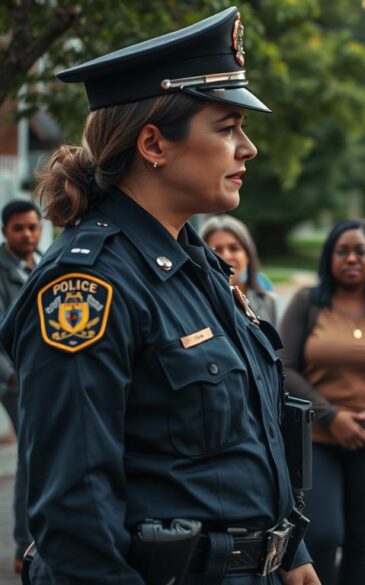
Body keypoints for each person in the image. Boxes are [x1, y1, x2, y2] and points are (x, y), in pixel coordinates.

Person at [0, 7, 319, 585]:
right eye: (226, 128)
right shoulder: (90, 286)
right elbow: (76, 517)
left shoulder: (199, 265)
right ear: (154, 143)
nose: (247, 148)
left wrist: (289, 556)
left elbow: (242, 439)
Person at [277, 219, 365, 585]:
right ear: (330, 256)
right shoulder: (307, 303)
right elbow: (285, 368)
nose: (352, 258)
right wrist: (331, 415)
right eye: (343, 251)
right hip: (319, 442)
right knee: (322, 536)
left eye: (361, 251)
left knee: (361, 540)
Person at [0, 199, 42, 572]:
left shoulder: (41, 263)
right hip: (16, 382)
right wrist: (14, 374)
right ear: (4, 231)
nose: (28, 234)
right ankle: (24, 545)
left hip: (37, 377)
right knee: (31, 458)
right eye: (19, 228)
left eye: (33, 226)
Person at [200, 214, 277, 326]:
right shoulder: (198, 305)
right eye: (217, 250)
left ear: (248, 255)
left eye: (234, 248)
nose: (226, 256)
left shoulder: (267, 302)